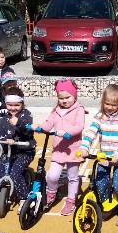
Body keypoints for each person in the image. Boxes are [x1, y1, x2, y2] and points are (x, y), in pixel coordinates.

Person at [79, 83, 118, 227]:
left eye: (113, 105)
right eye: (107, 103)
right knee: (100, 182)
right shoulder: (99, 117)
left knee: (117, 183)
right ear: (102, 101)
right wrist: (84, 147)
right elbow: (91, 132)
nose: (109, 107)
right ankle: (104, 203)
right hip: (104, 157)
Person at [36, 79, 86, 216]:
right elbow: (48, 123)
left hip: (73, 149)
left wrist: (67, 132)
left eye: (67, 97)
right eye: (61, 98)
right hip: (58, 148)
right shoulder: (56, 110)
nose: (64, 101)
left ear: (74, 95)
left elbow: (79, 126)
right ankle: (51, 192)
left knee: (72, 177)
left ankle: (71, 200)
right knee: (52, 176)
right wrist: (39, 128)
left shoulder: (79, 109)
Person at [0, 87, 35, 212]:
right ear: (6, 104)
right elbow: (0, 134)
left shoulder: (26, 115)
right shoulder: (4, 118)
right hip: (9, 151)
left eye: (17, 105)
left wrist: (19, 123)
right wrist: (5, 139)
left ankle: (23, 198)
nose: (13, 108)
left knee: (15, 174)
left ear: (22, 104)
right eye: (10, 105)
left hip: (24, 151)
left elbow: (28, 130)